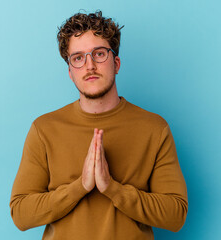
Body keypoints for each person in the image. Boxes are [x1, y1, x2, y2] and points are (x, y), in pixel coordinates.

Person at [10, 10, 188, 240]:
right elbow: (21, 215)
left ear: (116, 63)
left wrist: (112, 188)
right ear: (70, 72)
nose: (90, 65)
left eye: (99, 54)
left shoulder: (154, 128)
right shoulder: (44, 129)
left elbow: (176, 215)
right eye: (78, 58)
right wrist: (80, 187)